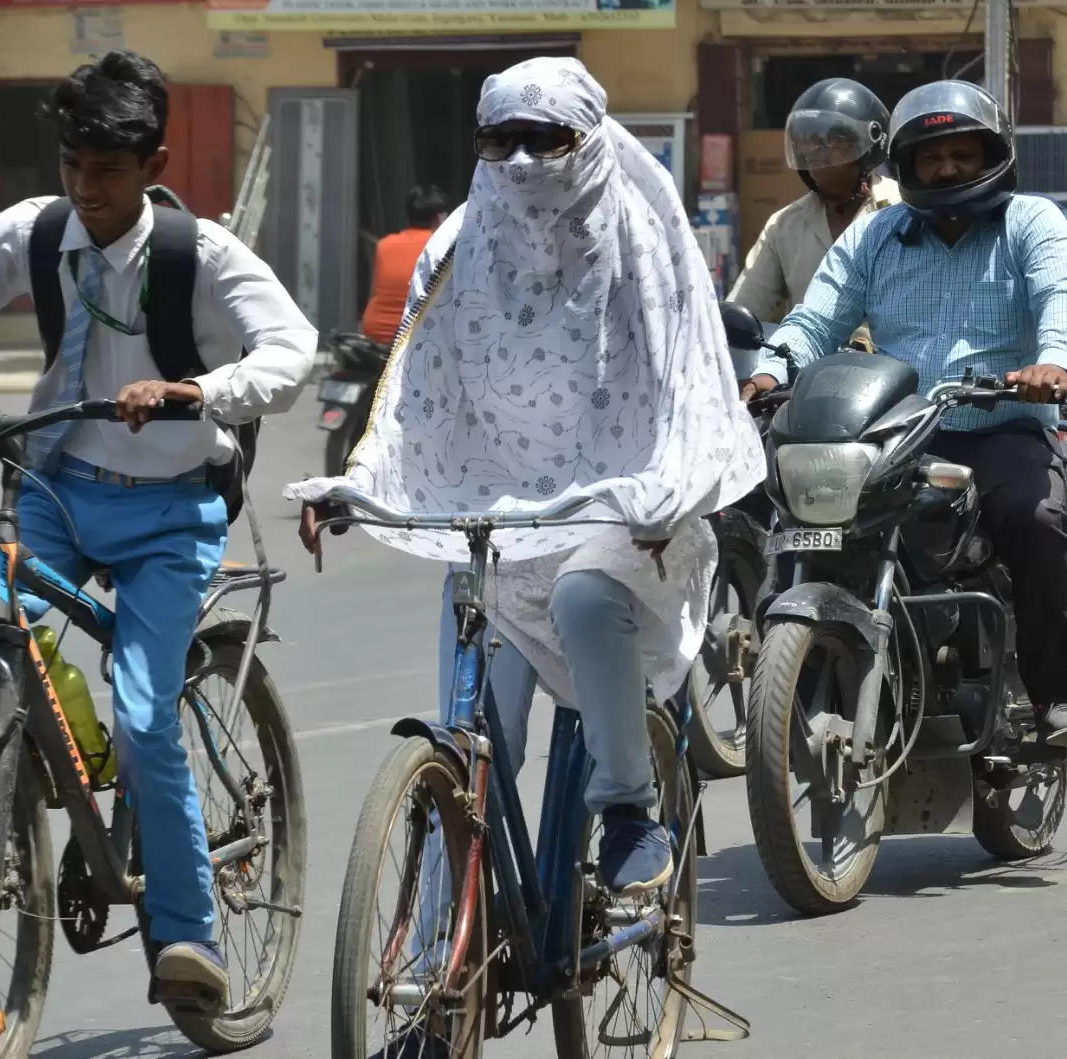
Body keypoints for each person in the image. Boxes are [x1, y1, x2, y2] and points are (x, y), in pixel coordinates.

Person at [0, 51, 317, 1011]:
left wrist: (200, 389)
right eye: (72, 166)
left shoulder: (200, 256)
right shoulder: (38, 233)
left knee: (150, 710)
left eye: (107, 172)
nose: (85, 190)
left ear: (153, 161)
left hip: (171, 511)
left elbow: (292, 348)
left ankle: (190, 933)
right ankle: (66, 740)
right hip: (60, 484)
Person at [293, 57, 765, 893]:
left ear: (586, 142)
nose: (518, 163)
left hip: (622, 509)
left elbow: (686, 380)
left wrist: (669, 493)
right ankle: (437, 975)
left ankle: (628, 809)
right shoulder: (455, 247)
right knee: (468, 758)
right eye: (498, 140)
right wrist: (356, 483)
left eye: (543, 141)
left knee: (586, 599)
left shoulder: (642, 236)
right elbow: (410, 389)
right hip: (498, 521)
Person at [737, 79, 1067, 751]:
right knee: (811, 524)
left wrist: (1053, 362)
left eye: (962, 153)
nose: (947, 169)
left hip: (1002, 429)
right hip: (899, 436)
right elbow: (817, 317)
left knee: (1034, 516)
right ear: (906, 168)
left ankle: (1056, 691)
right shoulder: (879, 234)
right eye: (931, 157)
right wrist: (769, 369)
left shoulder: (1031, 221)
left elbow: (1061, 297)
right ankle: (798, 674)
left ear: (992, 153)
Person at [728, 78, 899, 329]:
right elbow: (747, 307)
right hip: (810, 365)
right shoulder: (785, 226)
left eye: (833, 142)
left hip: (895, 366)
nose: (816, 154)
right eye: (807, 143)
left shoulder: (905, 209)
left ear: (868, 144)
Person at [360, 184, 452, 347]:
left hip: (375, 332)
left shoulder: (384, 245)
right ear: (438, 217)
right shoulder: (442, 247)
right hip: (413, 336)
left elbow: (375, 292)